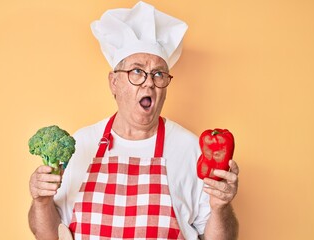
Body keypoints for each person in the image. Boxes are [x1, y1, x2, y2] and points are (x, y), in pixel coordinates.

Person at [28, 1, 239, 239]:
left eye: (159, 74)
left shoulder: (190, 149)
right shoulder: (82, 143)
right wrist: (41, 201)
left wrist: (221, 207)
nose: (149, 82)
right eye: (137, 71)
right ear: (114, 82)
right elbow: (48, 236)